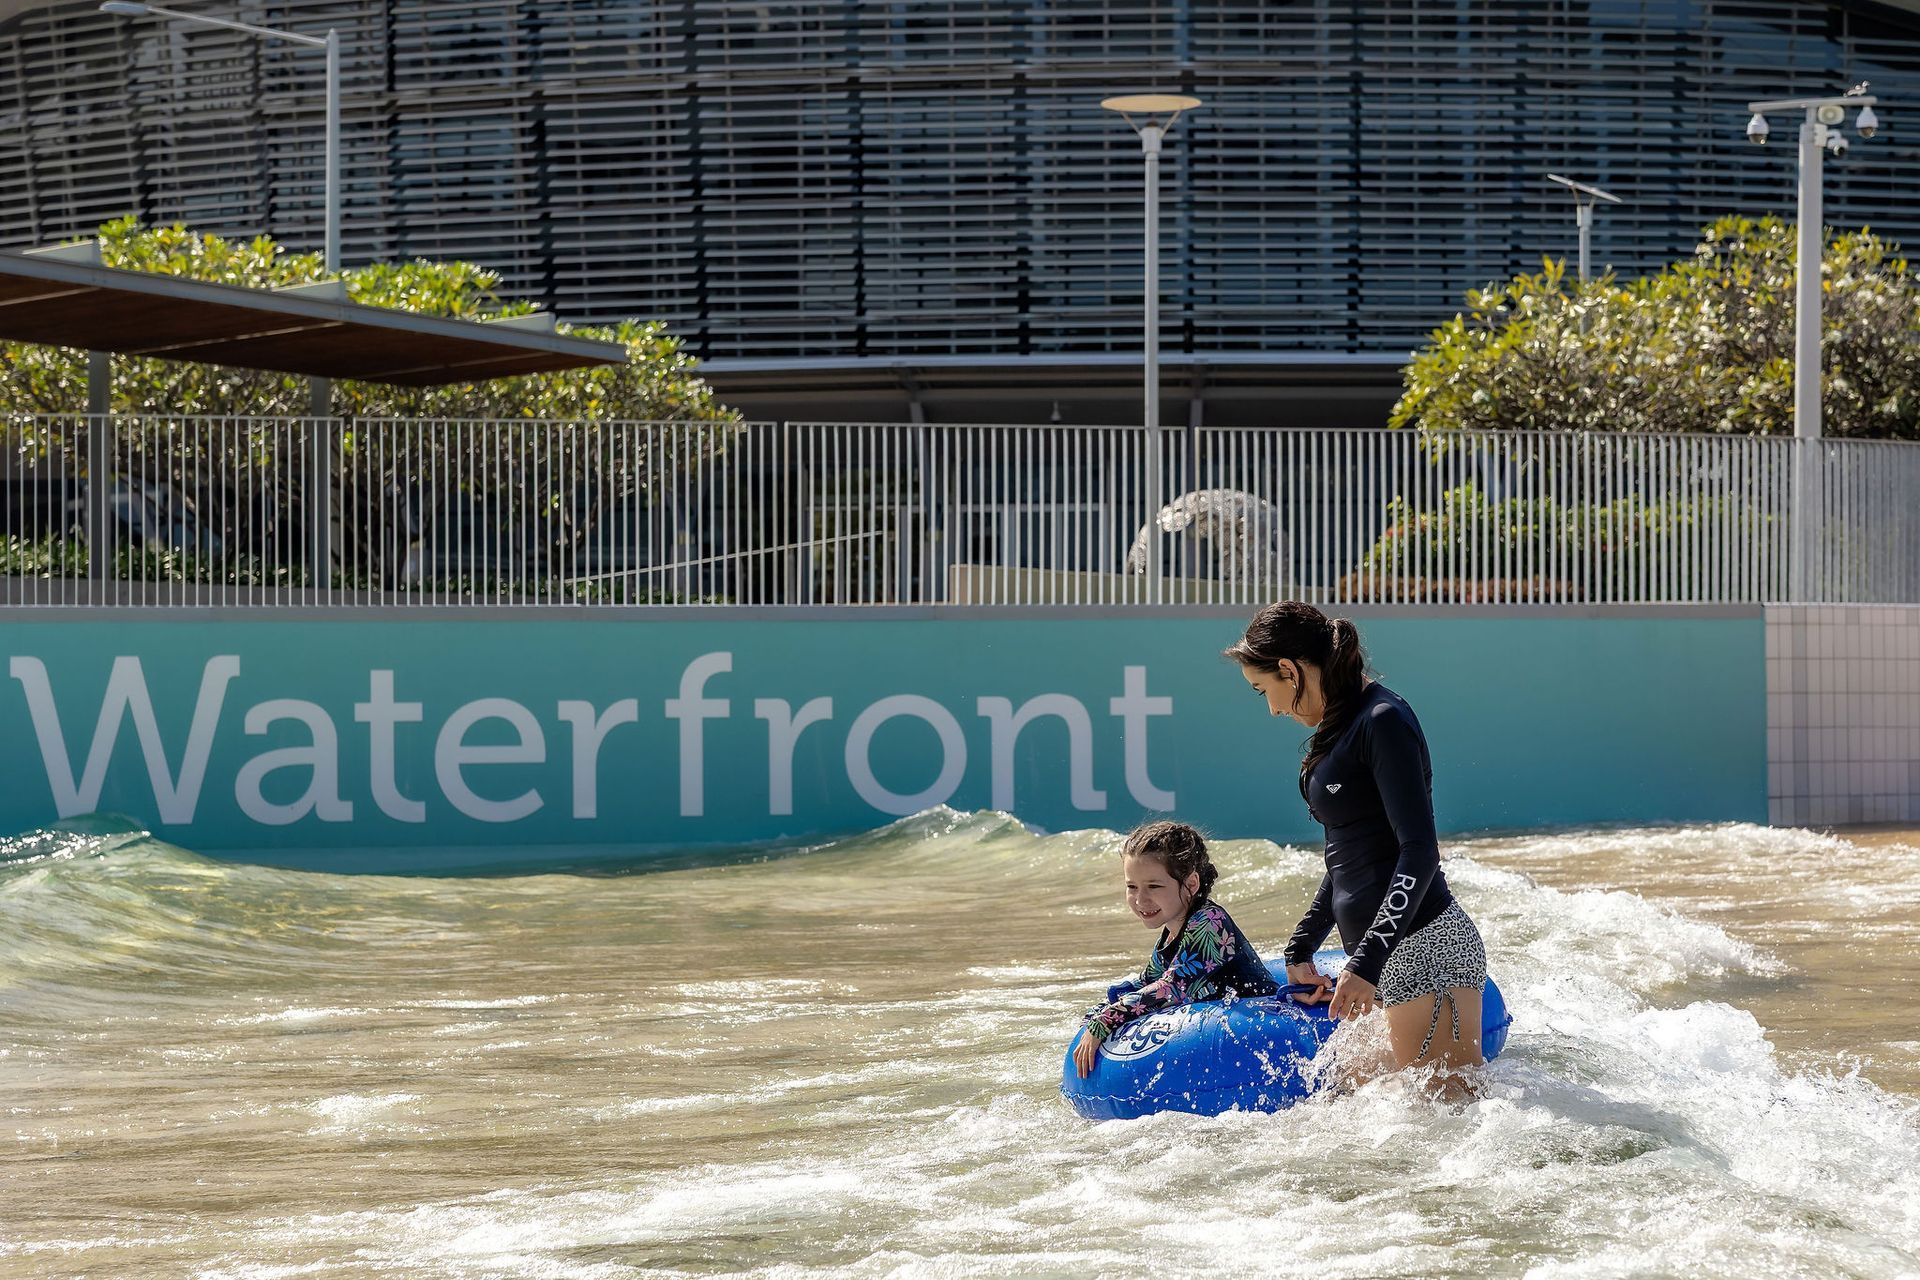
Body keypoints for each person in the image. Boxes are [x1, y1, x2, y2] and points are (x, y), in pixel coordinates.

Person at [1225, 601, 1487, 1086]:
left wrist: (1365, 963)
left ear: (1289, 669)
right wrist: (1303, 943)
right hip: (1381, 956)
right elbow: (1351, 855)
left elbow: (1419, 851)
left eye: (1265, 690)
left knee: (1442, 1132)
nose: (1273, 708)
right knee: (1355, 1119)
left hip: (1424, 947)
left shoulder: (1382, 719)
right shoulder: (1340, 725)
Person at [1071, 820, 1278, 1079]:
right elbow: (1146, 985)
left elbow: (1171, 989)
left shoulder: (1208, 922)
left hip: (1265, 1025)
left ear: (1191, 884)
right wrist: (1095, 1014)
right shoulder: (1171, 932)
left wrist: (1105, 1021)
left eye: (1154, 886)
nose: (1140, 899)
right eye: (1131, 887)